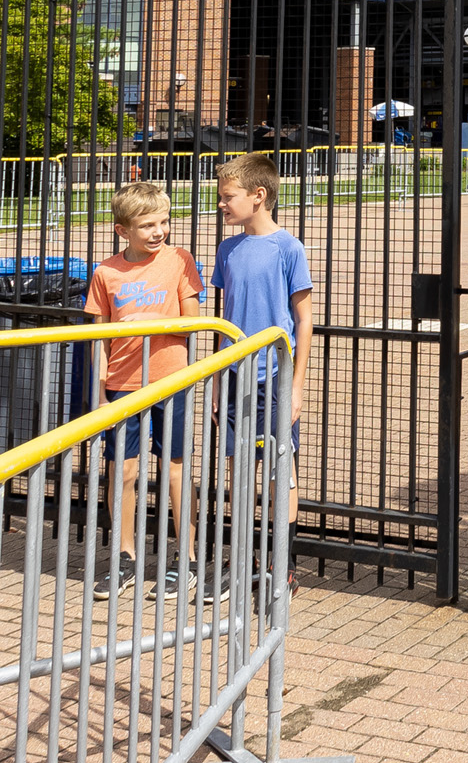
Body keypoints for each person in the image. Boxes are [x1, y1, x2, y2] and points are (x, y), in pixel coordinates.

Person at [87, 179, 201, 590]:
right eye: (148, 225)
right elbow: (99, 339)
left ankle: (186, 556)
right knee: (124, 471)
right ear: (122, 230)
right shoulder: (106, 272)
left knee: (175, 469)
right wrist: (100, 395)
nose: (159, 232)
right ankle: (125, 556)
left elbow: (194, 324)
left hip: (172, 379)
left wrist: (153, 323)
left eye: (163, 222)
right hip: (123, 383)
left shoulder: (180, 261)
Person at [208, 154, 315, 592]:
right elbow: (223, 317)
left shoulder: (289, 248)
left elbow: (304, 320)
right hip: (233, 375)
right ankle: (243, 559)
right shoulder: (227, 249)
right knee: (238, 467)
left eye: (227, 197)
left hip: (275, 375)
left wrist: (297, 385)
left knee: (279, 468)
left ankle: (281, 562)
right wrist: (217, 381)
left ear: (259, 195)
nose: (221, 204)